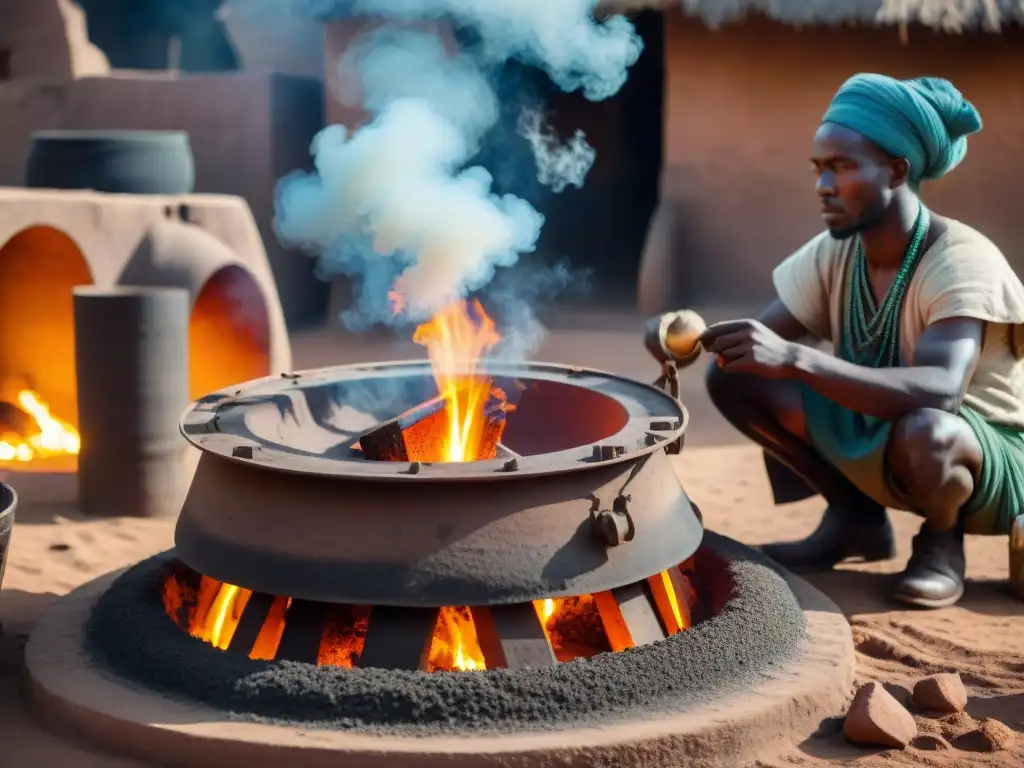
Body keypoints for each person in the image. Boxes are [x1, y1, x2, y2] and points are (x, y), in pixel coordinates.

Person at [700, 73, 1024, 609]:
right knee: (737, 374)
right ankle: (855, 519)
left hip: (984, 456)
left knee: (930, 431)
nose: (822, 185)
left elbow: (941, 392)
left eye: (842, 166)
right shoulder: (838, 250)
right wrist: (685, 337)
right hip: (884, 434)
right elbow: (760, 343)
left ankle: (942, 542)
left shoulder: (960, 260)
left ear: (898, 170)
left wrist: (797, 359)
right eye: (818, 168)